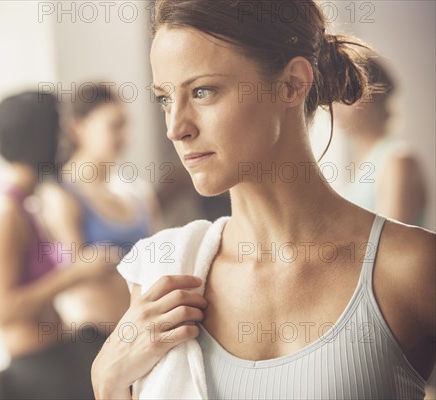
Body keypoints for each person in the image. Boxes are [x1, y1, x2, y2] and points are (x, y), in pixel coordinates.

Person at [91, 1, 436, 399]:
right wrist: (108, 384)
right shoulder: (160, 278)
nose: (175, 128)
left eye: (202, 91)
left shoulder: (411, 269)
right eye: (165, 98)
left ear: (291, 84)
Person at [0, 91, 116, 399]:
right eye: (60, 129)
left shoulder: (29, 203)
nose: (68, 140)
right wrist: (78, 274)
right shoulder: (2, 213)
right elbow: (3, 309)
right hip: (36, 371)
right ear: (42, 136)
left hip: (59, 355)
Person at [40, 83, 161, 330]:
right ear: (78, 127)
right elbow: (74, 277)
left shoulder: (137, 192)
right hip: (96, 337)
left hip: (147, 332)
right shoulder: (59, 196)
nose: (124, 137)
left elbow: (164, 259)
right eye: (114, 126)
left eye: (126, 125)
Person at [334, 56, 427, 227]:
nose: (336, 105)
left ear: (374, 95)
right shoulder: (363, 166)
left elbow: (391, 243)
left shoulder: (398, 161)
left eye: (347, 94)